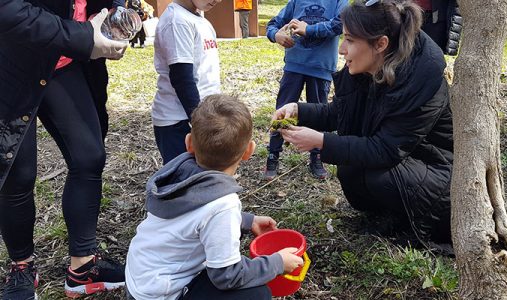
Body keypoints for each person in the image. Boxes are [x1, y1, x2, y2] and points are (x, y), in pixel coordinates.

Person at [275, 0, 453, 247]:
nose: (341, 50)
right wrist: (298, 110)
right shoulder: (368, 66)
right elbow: (340, 112)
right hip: (406, 159)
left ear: (380, 44)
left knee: (373, 174)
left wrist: (321, 142)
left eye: (349, 40)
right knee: (350, 167)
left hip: (439, 173)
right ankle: (390, 214)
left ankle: (411, 223)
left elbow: (386, 150)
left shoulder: (420, 81)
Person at [0, 1, 129, 299]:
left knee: (88, 156)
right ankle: (21, 265)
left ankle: (82, 266)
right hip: (12, 62)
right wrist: (84, 38)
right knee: (17, 172)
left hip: (65, 61)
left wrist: (116, 16)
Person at [125, 94, 304, 300]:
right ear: (249, 151)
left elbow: (194, 215)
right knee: (257, 294)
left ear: (189, 143)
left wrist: (247, 220)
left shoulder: (178, 174)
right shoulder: (223, 205)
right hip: (161, 295)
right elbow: (226, 276)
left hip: (139, 283)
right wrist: (277, 263)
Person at [263, 0, 347, 180]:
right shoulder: (296, 1)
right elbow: (273, 24)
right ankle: (273, 154)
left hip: (321, 69)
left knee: (319, 113)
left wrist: (308, 30)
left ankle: (316, 157)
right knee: (283, 110)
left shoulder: (340, 2)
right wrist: (275, 35)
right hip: (294, 67)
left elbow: (339, 25)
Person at [152, 0, 222, 164]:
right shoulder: (177, 21)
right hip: (180, 121)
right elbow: (182, 79)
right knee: (183, 182)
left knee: (201, 179)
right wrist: (199, 122)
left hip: (200, 116)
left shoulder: (198, 19)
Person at [83, 0, 126, 142]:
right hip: (60, 44)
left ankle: (97, 145)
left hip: (94, 45)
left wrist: (117, 11)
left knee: (97, 100)